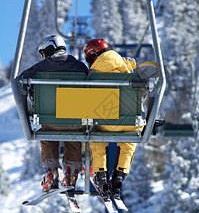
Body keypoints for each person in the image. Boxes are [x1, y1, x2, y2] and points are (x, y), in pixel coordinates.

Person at [83, 38, 157, 200]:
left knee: (95, 139)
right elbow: (153, 69)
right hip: (129, 121)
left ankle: (101, 175)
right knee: (128, 142)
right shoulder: (128, 69)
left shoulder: (92, 74)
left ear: (93, 56)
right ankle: (119, 177)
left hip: (104, 121)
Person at [18, 35, 88, 196]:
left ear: (50, 48)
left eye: (43, 52)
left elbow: (20, 81)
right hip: (76, 120)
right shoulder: (80, 66)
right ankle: (71, 174)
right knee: (75, 139)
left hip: (50, 119)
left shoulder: (39, 68)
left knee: (48, 138)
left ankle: (52, 172)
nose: (43, 56)